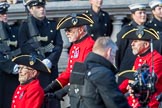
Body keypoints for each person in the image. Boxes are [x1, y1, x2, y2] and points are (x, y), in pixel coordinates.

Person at [66, 37, 129, 108]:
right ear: (109, 52)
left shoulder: (78, 69)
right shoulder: (104, 74)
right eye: (113, 55)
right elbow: (116, 103)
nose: (113, 60)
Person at [44, 13, 95, 93]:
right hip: (76, 90)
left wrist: (64, 91)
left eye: (69, 30)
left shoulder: (90, 45)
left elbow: (82, 72)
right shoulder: (74, 46)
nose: (66, 33)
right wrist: (51, 87)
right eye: (65, 31)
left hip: (86, 90)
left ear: (80, 30)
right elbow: (69, 71)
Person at [119, 26, 162, 108]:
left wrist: (132, 85)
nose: (132, 44)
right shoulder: (139, 58)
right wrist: (117, 91)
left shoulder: (157, 59)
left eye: (135, 41)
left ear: (146, 44)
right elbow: (131, 78)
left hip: (150, 103)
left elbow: (148, 82)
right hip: (135, 102)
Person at [116, 4, 147, 83]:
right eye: (140, 13)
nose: (143, 15)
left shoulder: (148, 30)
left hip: (143, 68)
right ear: (133, 15)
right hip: (128, 68)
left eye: (144, 13)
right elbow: (119, 50)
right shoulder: (127, 30)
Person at [0, 2, 21, 108]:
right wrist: (11, 67)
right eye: (1, 14)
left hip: (13, 76)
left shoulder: (13, 30)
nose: (5, 16)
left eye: (5, 13)